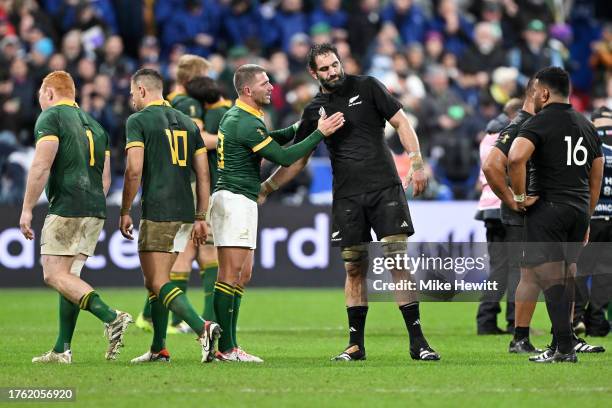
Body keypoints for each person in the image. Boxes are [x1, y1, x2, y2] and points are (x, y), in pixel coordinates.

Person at [259, 43, 439, 361]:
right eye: (325, 68)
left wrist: (417, 161)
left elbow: (401, 122)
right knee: (354, 268)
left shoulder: (368, 86)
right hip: (347, 196)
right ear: (314, 73)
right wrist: (268, 187)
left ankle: (419, 342)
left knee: (397, 261)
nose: (334, 71)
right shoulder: (315, 110)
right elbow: (298, 159)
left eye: (335, 64)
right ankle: (355, 346)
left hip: (385, 188)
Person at [209, 63, 345, 362]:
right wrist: (318, 134)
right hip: (233, 200)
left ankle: (226, 344)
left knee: (242, 273)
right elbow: (283, 156)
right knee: (230, 273)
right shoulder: (243, 121)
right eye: (264, 83)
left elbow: (269, 138)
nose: (271, 87)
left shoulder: (245, 118)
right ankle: (225, 347)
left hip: (240, 200)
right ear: (247, 90)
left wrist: (299, 127)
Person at [19, 70, 132, 364]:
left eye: (41, 94)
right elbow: (106, 179)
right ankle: (61, 349)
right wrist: (93, 201)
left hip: (68, 205)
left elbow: (41, 166)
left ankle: (111, 316)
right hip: (95, 207)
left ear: (50, 93)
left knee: (53, 274)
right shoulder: (97, 126)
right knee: (70, 277)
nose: (40, 100)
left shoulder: (51, 117)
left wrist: (27, 208)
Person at [120, 68, 220, 363]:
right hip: (186, 212)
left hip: (158, 209)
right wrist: (201, 215)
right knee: (159, 280)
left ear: (141, 90)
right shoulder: (189, 123)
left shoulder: (137, 121)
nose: (131, 99)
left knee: (155, 281)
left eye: (131, 92)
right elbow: (203, 174)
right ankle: (159, 347)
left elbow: (133, 169)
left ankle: (201, 326)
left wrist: (125, 210)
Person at [508, 66, 603, 363]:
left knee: (550, 281)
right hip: (578, 209)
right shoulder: (587, 125)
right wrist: (587, 214)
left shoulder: (538, 123)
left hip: (548, 209)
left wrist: (521, 198)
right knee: (565, 276)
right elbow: (596, 175)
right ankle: (562, 344)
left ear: (545, 93)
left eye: (536, 92)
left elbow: (515, 157)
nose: (534, 97)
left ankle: (563, 349)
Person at [184, 75, 232, 322]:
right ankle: (207, 317)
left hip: (213, 189)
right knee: (207, 252)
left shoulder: (215, 115)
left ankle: (204, 318)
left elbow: (200, 139)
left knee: (202, 251)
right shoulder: (232, 109)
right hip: (225, 188)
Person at [574, 106, 612, 337]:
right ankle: (598, 322)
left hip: (591, 217)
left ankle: (576, 317)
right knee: (605, 273)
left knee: (580, 270)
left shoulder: (587, 144)